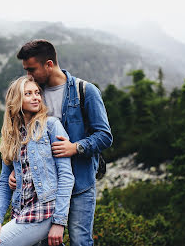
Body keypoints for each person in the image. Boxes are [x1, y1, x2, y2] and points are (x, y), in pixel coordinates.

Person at [11, 39, 113, 246]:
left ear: (49, 64)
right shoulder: (35, 95)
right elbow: (24, 137)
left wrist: (75, 147)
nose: (28, 77)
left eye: (32, 70)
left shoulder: (86, 91)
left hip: (80, 186)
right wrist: (18, 169)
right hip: (44, 192)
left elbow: (105, 136)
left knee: (80, 241)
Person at [0, 75, 74, 246]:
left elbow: (66, 176)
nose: (36, 97)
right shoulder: (11, 136)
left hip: (44, 212)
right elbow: (3, 183)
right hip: (21, 212)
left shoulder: (51, 126)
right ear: (16, 100)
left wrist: (59, 222)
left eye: (37, 92)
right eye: (28, 93)